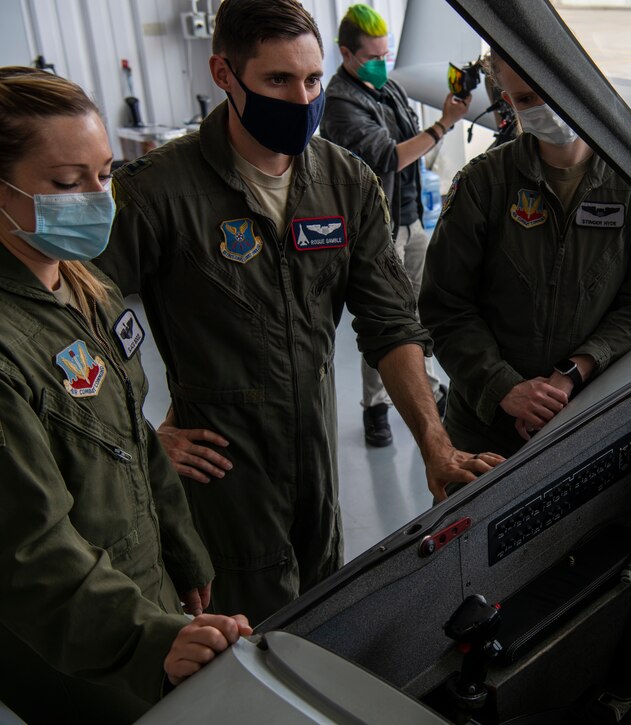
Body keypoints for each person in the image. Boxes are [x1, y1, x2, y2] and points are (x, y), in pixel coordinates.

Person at [95, 0, 502, 626]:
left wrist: (436, 446)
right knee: (248, 632)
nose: (302, 97)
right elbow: (79, 323)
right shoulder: (158, 193)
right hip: (224, 474)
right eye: (277, 80)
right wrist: (144, 440)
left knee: (319, 609)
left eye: (311, 80)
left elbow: (390, 324)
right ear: (225, 74)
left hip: (316, 460)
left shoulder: (345, 184)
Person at [0, 66, 250, 722]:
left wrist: (182, 543)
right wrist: (146, 638)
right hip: (78, 638)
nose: (96, 198)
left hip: (143, 589)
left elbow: (133, 436)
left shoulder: (85, 288)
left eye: (104, 173)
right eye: (65, 183)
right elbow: (28, 552)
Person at [419, 51, 631, 458]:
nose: (545, 108)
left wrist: (575, 371)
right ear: (508, 102)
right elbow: (445, 307)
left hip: (584, 412)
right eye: (526, 99)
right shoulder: (483, 185)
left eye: (552, 91)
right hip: (484, 428)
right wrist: (503, 387)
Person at [321, 4, 471, 447]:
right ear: (346, 54)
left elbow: (410, 147)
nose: (381, 64)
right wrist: (445, 124)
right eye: (372, 56)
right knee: (384, 322)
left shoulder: (387, 92)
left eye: (386, 55)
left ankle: (425, 388)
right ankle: (376, 407)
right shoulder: (341, 102)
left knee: (418, 319)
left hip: (411, 218)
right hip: (378, 233)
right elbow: (388, 155)